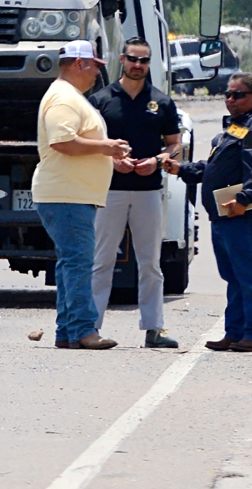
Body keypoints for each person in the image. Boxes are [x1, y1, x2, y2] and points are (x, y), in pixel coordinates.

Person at [165, 72, 252, 352]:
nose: (231, 99)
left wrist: (243, 200)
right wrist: (183, 169)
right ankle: (236, 332)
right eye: (228, 94)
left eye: (238, 95)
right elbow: (215, 167)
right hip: (224, 215)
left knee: (248, 275)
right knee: (234, 276)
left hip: (243, 214)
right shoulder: (236, 127)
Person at [32, 40, 131, 350]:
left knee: (70, 262)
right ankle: (83, 330)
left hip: (69, 193)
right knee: (78, 262)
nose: (97, 74)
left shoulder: (69, 97)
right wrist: (106, 148)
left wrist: (109, 156)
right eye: (95, 67)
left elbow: (73, 142)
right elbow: (63, 141)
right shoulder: (64, 98)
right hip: (67, 194)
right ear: (80, 64)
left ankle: (69, 331)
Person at [88, 37, 181, 349]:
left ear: (149, 64)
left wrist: (157, 161)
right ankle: (91, 326)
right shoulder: (101, 100)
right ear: (123, 61)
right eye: (132, 59)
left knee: (150, 262)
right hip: (110, 191)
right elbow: (88, 144)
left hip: (148, 191)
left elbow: (175, 143)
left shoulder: (162, 102)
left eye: (144, 61)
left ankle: (154, 328)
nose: (138, 65)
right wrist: (113, 160)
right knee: (101, 261)